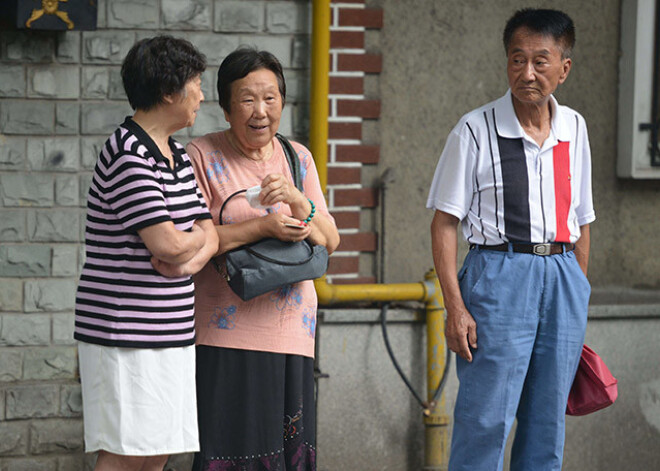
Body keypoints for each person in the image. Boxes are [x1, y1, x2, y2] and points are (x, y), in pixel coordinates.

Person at [427, 9, 595, 471]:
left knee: (547, 421)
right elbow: (444, 223)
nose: (527, 73)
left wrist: (577, 291)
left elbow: (582, 219)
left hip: (562, 277)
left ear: (564, 68)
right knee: (486, 417)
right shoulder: (474, 130)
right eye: (517, 59)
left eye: (541, 61)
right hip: (499, 275)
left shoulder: (574, 129)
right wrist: (455, 306)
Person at [183, 48, 340, 471]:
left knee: (288, 456)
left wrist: (295, 199)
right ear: (226, 107)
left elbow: (331, 239)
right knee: (229, 451)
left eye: (270, 98)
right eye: (248, 99)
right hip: (225, 331)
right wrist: (263, 227)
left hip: (292, 332)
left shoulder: (297, 157)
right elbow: (193, 242)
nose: (260, 111)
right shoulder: (201, 155)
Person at [74, 36, 218, 471]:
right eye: (196, 83)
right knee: (122, 454)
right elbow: (166, 244)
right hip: (124, 332)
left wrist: (187, 254)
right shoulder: (127, 153)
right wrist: (186, 246)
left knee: (158, 450)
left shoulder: (175, 154)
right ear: (169, 91)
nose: (202, 95)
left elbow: (208, 234)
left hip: (169, 330)